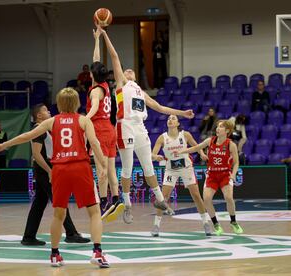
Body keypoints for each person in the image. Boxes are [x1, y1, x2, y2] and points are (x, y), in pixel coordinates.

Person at [0, 88, 110, 268]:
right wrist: (103, 165)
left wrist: (5, 144)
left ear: (59, 104)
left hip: (60, 169)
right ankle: (98, 253)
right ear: (77, 103)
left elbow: (27, 136)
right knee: (94, 212)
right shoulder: (84, 120)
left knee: (58, 214)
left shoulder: (52, 121)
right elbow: (94, 143)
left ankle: (55, 255)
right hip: (80, 166)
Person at [99, 25, 194, 224]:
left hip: (141, 129)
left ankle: (160, 200)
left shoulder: (141, 92)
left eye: (131, 70)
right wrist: (105, 35)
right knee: (127, 169)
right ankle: (126, 205)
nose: (129, 70)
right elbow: (115, 57)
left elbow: (160, 108)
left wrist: (182, 113)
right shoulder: (121, 84)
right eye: (126, 70)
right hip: (124, 126)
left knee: (148, 168)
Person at [21, 104, 90, 246]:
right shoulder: (38, 129)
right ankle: (71, 233)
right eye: (45, 110)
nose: (49, 112)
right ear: (39, 116)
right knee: (60, 201)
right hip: (44, 169)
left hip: (46, 169)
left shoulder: (46, 129)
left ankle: (29, 236)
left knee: (39, 203)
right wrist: (49, 171)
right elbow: (36, 154)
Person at [177, 120, 244, 236]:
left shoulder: (231, 144)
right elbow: (196, 148)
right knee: (207, 199)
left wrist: (233, 175)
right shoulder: (210, 141)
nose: (218, 128)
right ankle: (216, 224)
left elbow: (236, 163)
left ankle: (233, 222)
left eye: (221, 127)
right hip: (212, 174)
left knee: (228, 197)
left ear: (227, 131)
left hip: (225, 174)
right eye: (217, 126)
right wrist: (183, 151)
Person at [151, 115, 211, 237]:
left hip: (186, 168)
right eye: (168, 119)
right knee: (163, 198)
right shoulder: (162, 138)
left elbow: (196, 145)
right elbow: (152, 154)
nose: (170, 120)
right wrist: (155, 157)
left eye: (173, 118)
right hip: (171, 169)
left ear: (178, 123)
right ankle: (156, 225)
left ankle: (205, 222)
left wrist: (202, 154)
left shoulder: (185, 134)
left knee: (196, 195)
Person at [87, 28, 124, 222]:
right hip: (111, 130)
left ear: (92, 75)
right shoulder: (106, 86)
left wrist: (84, 119)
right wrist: (97, 40)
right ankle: (117, 199)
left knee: (101, 170)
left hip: (100, 129)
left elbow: (93, 108)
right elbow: (97, 60)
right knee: (110, 168)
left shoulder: (95, 91)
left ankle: (103, 202)